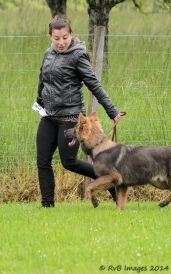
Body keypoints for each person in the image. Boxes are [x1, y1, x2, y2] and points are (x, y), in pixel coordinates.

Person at [35, 15, 121, 208]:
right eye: (56, 38)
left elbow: (93, 84)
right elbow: (42, 79)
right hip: (49, 116)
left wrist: (111, 110)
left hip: (71, 117)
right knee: (42, 160)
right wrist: (39, 102)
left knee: (69, 162)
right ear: (50, 37)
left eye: (65, 37)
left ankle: (110, 183)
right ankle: (47, 205)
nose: (61, 42)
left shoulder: (78, 55)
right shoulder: (48, 53)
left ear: (71, 34)